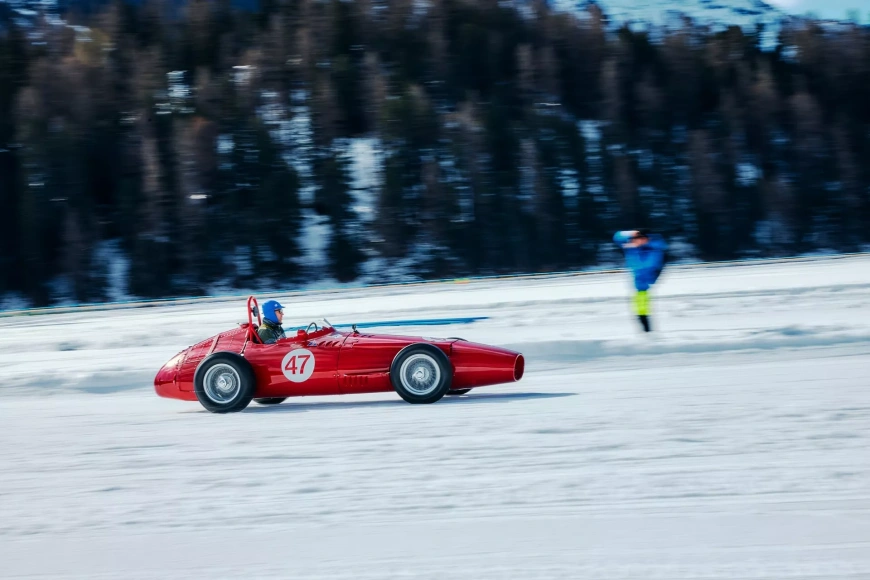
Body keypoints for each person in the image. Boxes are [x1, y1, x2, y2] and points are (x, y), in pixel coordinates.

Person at [613, 229, 668, 332]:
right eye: (636, 239)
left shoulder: (653, 249)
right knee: (639, 309)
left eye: (641, 239)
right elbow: (616, 236)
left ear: (647, 239)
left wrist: (655, 277)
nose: (638, 242)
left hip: (645, 281)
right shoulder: (632, 246)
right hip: (638, 281)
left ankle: (647, 331)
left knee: (642, 308)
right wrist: (631, 233)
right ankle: (646, 329)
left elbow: (655, 264)